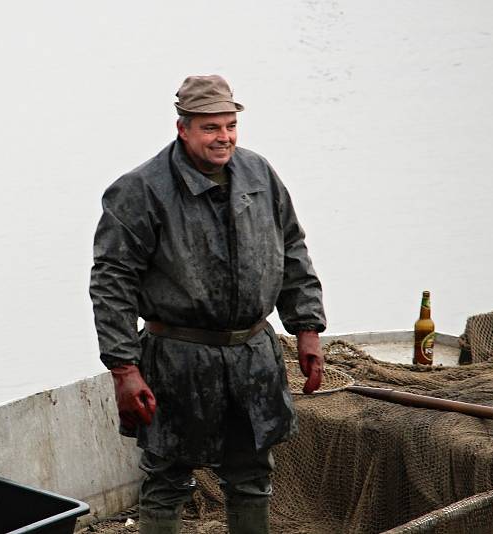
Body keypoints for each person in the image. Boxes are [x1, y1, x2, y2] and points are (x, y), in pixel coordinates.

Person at [89, 75, 326, 534]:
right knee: (166, 479)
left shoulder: (260, 175)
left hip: (252, 355)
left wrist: (307, 329)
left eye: (230, 125)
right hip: (177, 360)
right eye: (211, 128)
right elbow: (111, 282)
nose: (224, 138)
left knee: (253, 477)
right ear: (183, 129)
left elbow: (292, 248)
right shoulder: (139, 190)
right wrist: (124, 368)